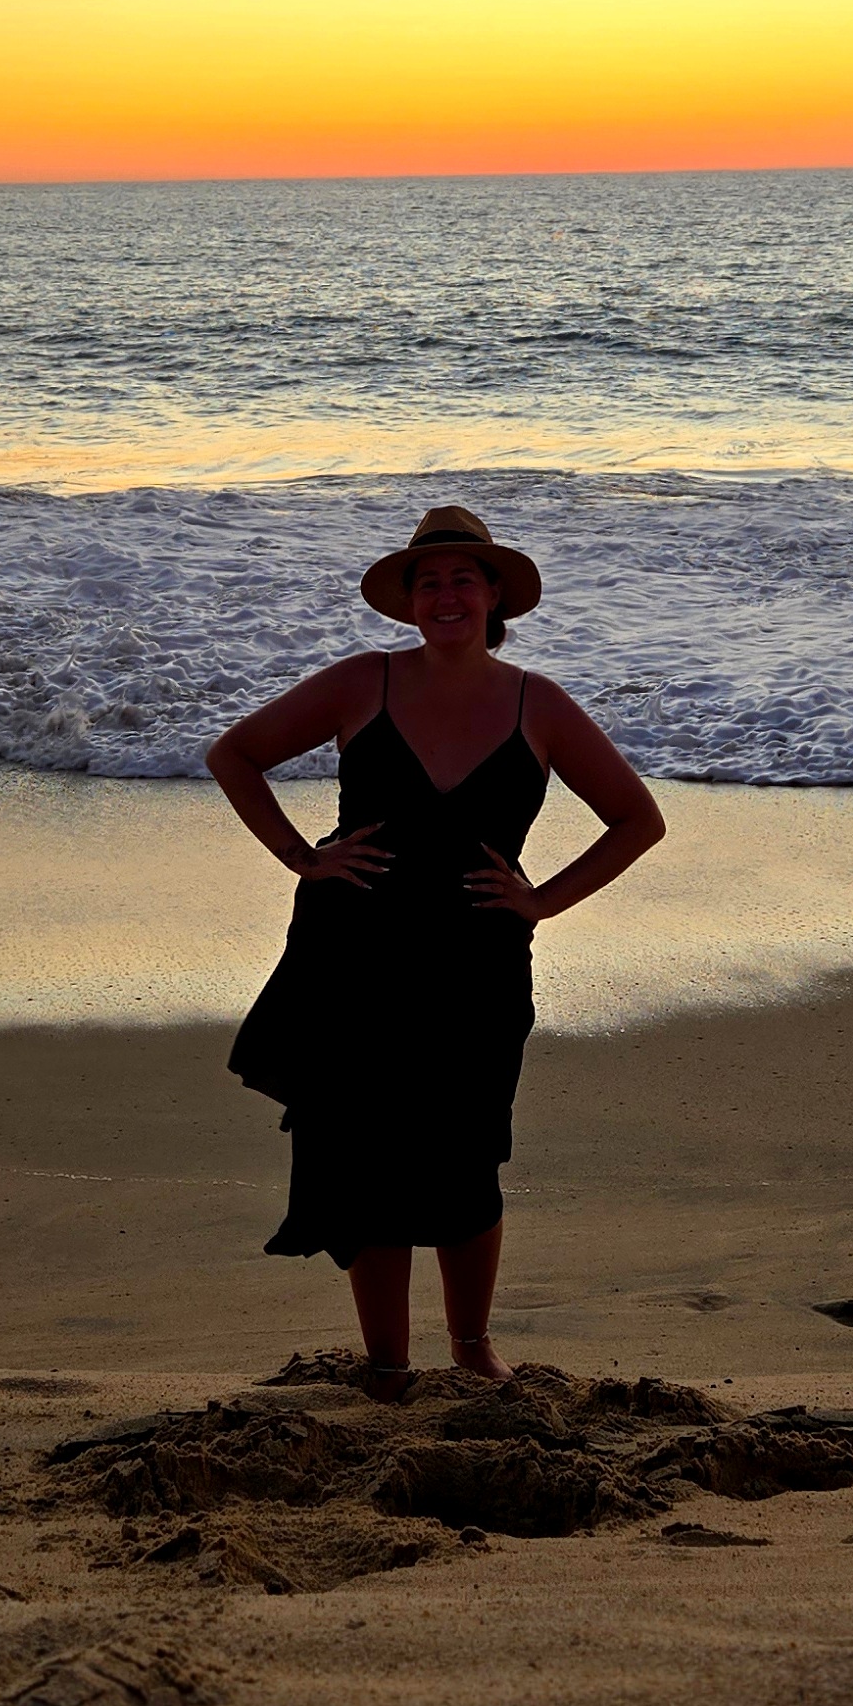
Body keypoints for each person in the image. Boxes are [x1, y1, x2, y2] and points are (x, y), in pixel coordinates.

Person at [206, 504, 665, 1390]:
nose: (445, 594)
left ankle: (470, 1346)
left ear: (495, 595)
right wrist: (305, 858)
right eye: (429, 581)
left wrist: (541, 902)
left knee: (465, 1153)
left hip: (476, 966)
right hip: (354, 956)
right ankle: (386, 1362)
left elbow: (638, 820)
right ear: (409, 600)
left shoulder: (540, 703)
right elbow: (235, 755)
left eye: (463, 578)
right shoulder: (360, 684)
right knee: (362, 1152)